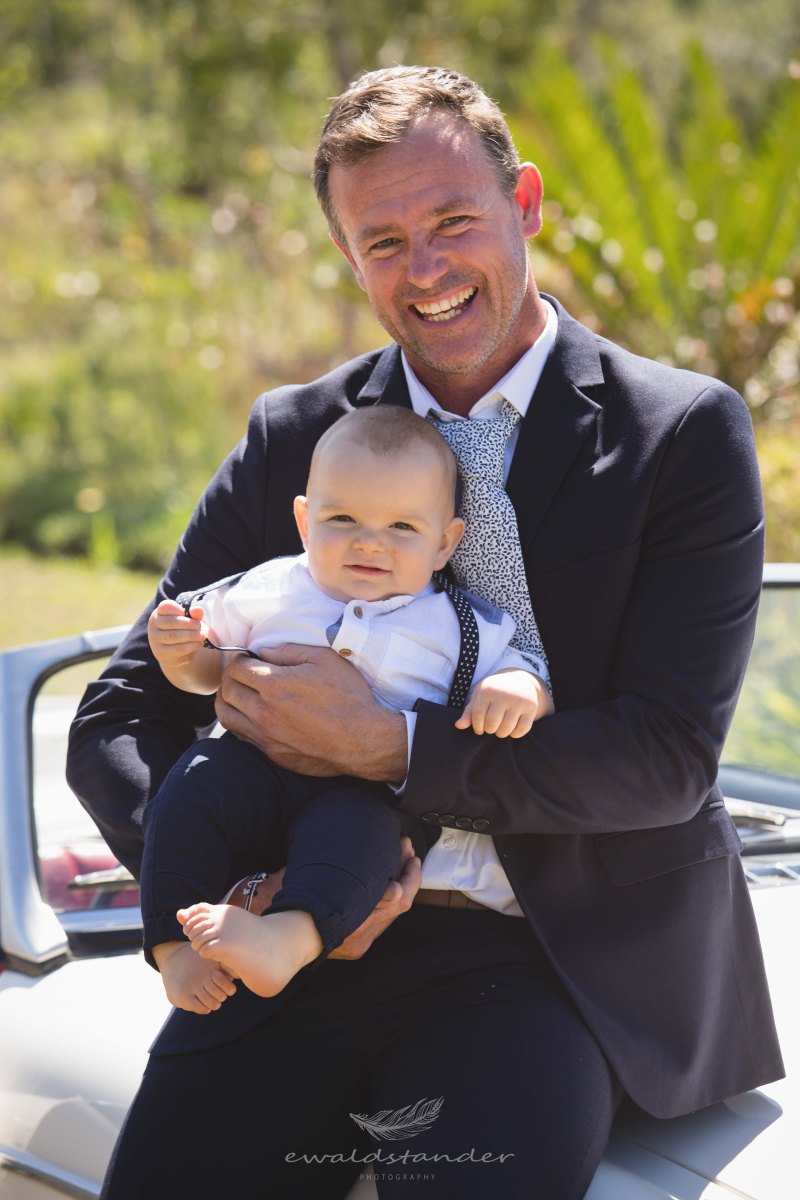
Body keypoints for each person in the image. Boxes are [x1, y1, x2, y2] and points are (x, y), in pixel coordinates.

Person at [67, 65, 784, 1200]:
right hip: (288, 938)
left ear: (524, 203)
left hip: (548, 965)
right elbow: (119, 715)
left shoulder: (680, 436)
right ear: (347, 256)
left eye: (453, 222)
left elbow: (664, 759)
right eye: (384, 241)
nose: (427, 269)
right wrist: (252, 887)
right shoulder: (296, 436)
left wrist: (390, 750)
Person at [142, 406, 551, 1013]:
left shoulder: (462, 624)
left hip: (368, 792)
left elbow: (526, 670)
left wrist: (519, 689)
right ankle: (174, 946)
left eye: (402, 527)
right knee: (192, 784)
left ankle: (290, 938)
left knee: (366, 840)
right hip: (252, 771)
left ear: (445, 543)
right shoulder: (271, 587)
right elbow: (208, 670)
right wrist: (180, 653)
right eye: (343, 519)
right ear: (304, 522)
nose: (369, 542)